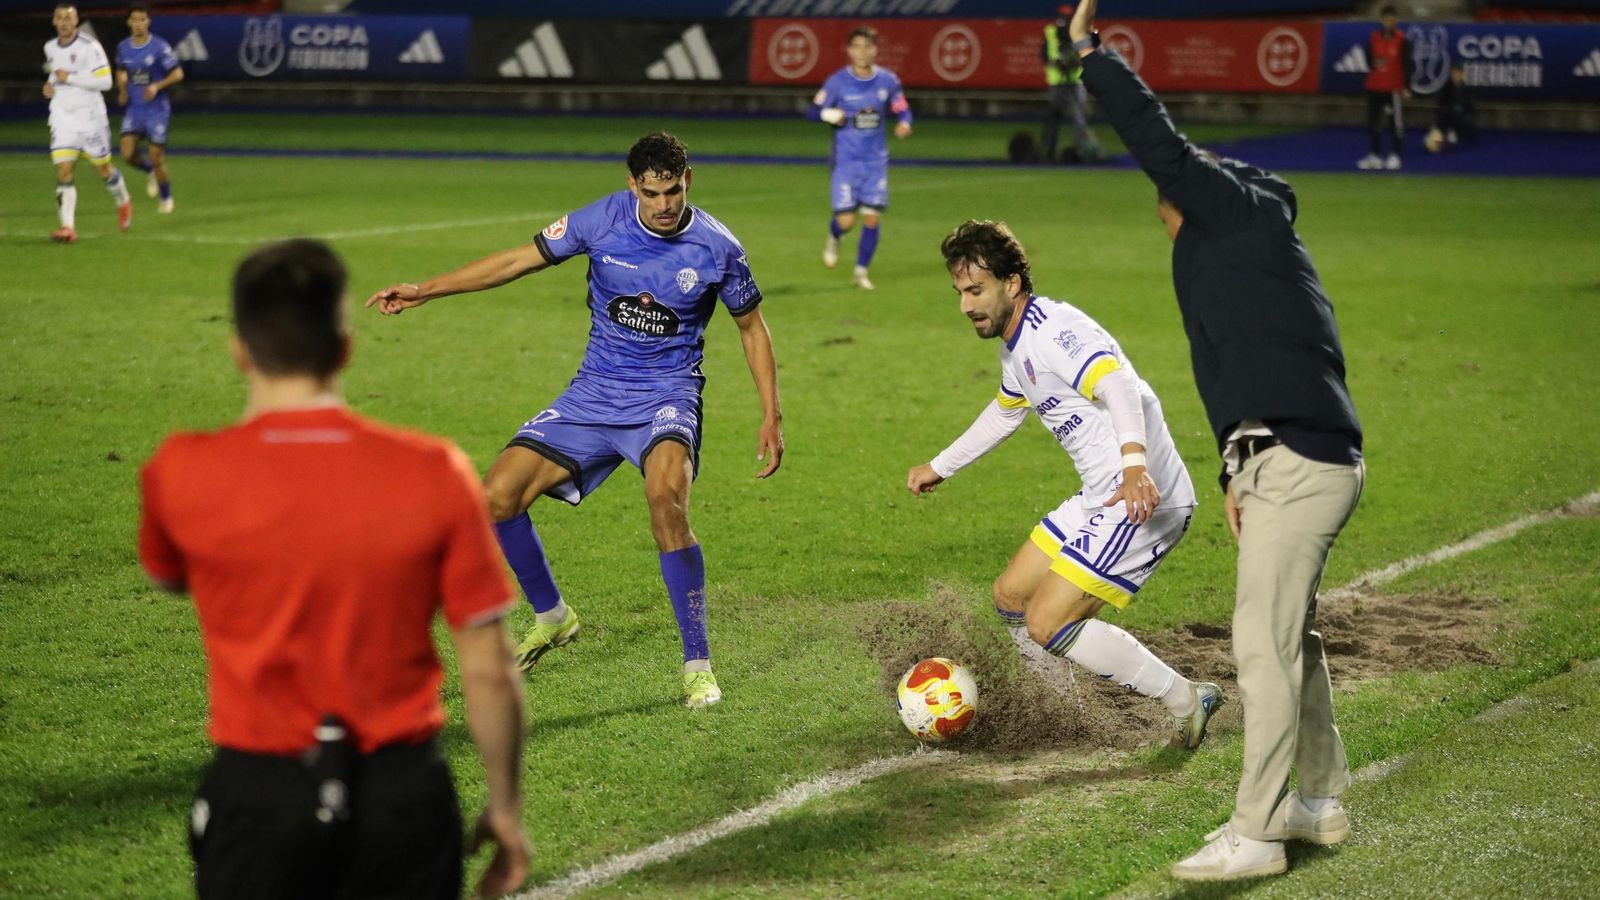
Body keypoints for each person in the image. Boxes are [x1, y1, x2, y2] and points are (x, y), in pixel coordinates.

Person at [1070, 0, 1366, 881]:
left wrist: (1091, 54)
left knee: (1259, 648)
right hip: (1290, 457)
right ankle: (1316, 801)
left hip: (1301, 461)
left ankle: (1257, 832)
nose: (1163, 195)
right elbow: (1251, 368)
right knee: (1292, 640)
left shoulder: (1230, 217)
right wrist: (1238, 474)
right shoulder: (1247, 252)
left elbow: (1157, 140)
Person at [138, 239, 531, 899]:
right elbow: (490, 666)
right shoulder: (434, 471)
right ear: (345, 347)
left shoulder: (180, 471)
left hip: (258, 795)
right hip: (399, 797)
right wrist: (506, 808)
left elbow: (169, 574)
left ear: (240, 350)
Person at [366, 132, 784, 709]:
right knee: (495, 496)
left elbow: (750, 327)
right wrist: (426, 290)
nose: (665, 205)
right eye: (653, 192)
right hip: (592, 393)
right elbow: (516, 260)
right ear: (632, 184)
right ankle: (553, 616)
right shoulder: (602, 220)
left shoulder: (717, 248)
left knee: (667, 498)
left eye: (675, 191)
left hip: (666, 395)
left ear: (690, 181)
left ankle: (697, 665)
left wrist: (771, 412)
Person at [906, 220, 1224, 750]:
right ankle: (1057, 706)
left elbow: (1120, 385)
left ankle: (1188, 698)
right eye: (960, 292)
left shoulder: (1054, 330)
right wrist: (941, 465)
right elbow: (1006, 412)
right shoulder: (1016, 345)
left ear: (1011, 284)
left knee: (1046, 620)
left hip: (1141, 496)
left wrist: (1133, 465)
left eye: (976, 290)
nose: (965, 305)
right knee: (1010, 595)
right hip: (1104, 492)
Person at [807, 25, 913, 291]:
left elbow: (902, 109)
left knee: (871, 218)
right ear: (849, 50)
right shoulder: (838, 82)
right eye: (856, 47)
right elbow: (812, 111)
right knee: (846, 221)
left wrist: (904, 122)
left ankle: (861, 272)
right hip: (846, 162)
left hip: (875, 163)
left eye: (867, 47)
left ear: (875, 50)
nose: (862, 52)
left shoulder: (888, 81)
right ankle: (834, 236)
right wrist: (830, 115)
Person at [42, 3, 132, 242]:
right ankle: (68, 228)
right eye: (59, 17)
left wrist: (68, 78)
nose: (63, 22)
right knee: (64, 170)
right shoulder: (49, 47)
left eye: (68, 18)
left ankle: (123, 200)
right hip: (62, 117)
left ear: (76, 20)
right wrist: (51, 85)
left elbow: (105, 82)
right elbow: (55, 74)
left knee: (103, 170)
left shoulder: (90, 46)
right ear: (53, 21)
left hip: (90, 118)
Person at [116, 1, 182, 213]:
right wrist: (123, 91)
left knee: (156, 157)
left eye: (142, 19)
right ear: (129, 22)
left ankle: (166, 197)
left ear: (148, 21)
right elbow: (120, 70)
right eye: (134, 19)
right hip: (135, 109)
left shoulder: (160, 46)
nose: (138, 24)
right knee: (126, 154)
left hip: (157, 110)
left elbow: (178, 73)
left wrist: (157, 86)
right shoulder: (123, 47)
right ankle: (150, 172)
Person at [1357, 5, 1414, 171]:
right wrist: (1374, 63)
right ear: (1382, 20)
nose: (1389, 22)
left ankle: (1395, 154)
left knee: (1395, 124)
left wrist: (1406, 87)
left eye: (1392, 19)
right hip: (1375, 87)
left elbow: (1408, 65)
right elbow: (1368, 60)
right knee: (1373, 123)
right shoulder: (1374, 38)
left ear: (1396, 20)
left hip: (1393, 89)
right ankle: (1374, 155)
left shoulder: (1402, 40)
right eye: (1386, 19)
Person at [1041, 6, 1100, 164]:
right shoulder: (1051, 32)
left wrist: (1075, 61)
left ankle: (1083, 152)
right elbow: (1044, 56)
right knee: (1054, 118)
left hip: (1074, 81)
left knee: (1078, 118)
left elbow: (1089, 54)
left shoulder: (1079, 33)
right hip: (1057, 81)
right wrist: (1057, 63)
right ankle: (1049, 151)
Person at [1425, 61, 1475, 152]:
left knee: (1467, 120)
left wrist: (1465, 108)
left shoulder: (1466, 87)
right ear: (1451, 73)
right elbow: (1440, 99)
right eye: (1455, 73)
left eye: (1459, 73)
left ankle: (1458, 133)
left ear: (1462, 73)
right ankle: (1445, 133)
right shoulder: (1447, 85)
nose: (1457, 75)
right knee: (1446, 116)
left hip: (1462, 112)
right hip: (1448, 111)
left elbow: (1470, 102)